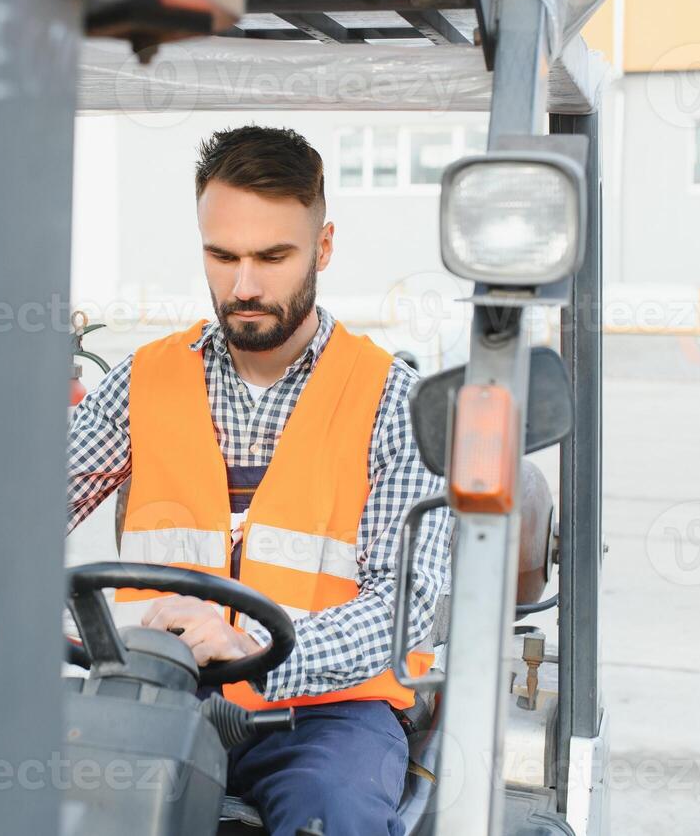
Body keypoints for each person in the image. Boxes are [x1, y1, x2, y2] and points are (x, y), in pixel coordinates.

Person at [67, 125, 452, 835]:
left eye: (272, 257)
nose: (243, 286)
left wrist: (257, 649)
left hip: (328, 718)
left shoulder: (390, 401)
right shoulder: (146, 379)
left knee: (333, 813)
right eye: (222, 256)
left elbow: (405, 607)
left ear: (323, 247)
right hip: (161, 697)